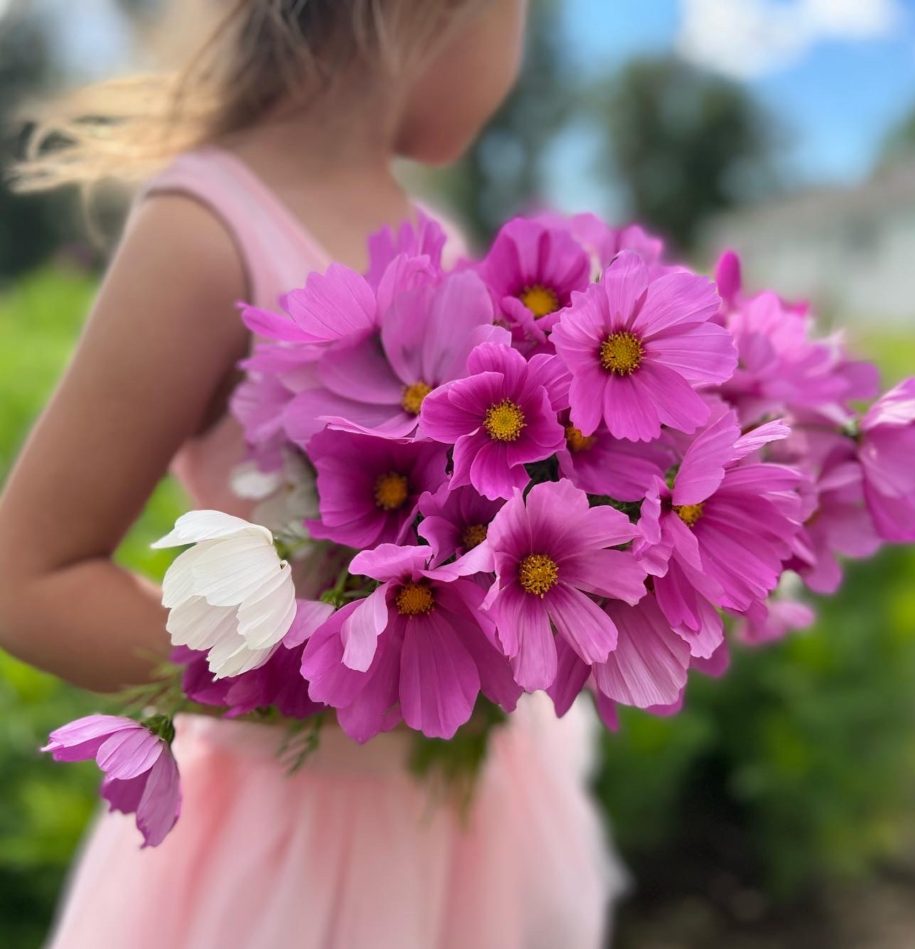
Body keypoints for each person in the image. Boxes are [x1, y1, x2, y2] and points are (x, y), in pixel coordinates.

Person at [0, 2, 619, 946]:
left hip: (466, 827)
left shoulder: (435, 238)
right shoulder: (205, 231)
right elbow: (27, 578)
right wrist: (310, 682)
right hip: (286, 848)